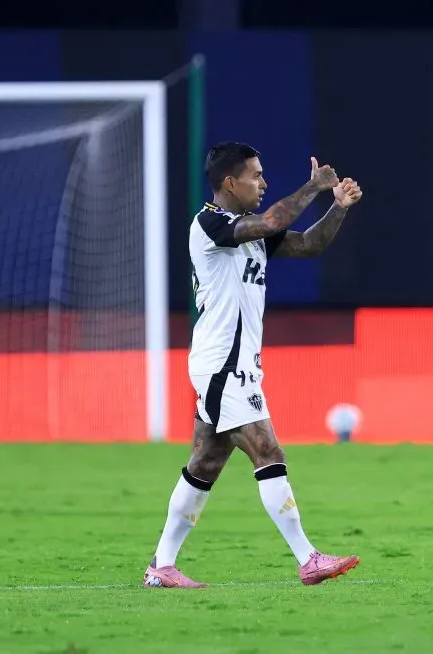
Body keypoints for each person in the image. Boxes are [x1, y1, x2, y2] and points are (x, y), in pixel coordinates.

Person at [143, 142, 363, 588]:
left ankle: (161, 566)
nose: (263, 183)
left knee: (204, 464)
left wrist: (336, 206)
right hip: (222, 363)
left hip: (234, 362)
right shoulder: (210, 223)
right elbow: (274, 220)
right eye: (256, 176)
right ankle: (309, 559)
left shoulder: (249, 229)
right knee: (268, 450)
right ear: (230, 182)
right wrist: (313, 187)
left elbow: (305, 245)